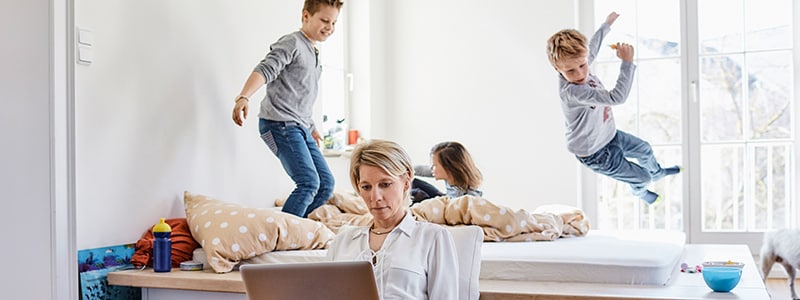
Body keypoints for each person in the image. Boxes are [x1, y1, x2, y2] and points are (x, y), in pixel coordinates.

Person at [546, 12, 680, 204]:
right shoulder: (573, 92)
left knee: (645, 149)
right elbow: (616, 97)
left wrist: (606, 24)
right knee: (643, 178)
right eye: (570, 71)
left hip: (609, 134)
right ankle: (641, 192)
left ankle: (657, 172)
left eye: (583, 65)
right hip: (595, 153)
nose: (580, 73)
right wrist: (627, 63)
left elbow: (591, 48)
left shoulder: (577, 63)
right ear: (557, 69)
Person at [231, 0, 343, 217]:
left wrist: (311, 126)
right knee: (309, 182)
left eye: (334, 23)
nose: (330, 27)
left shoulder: (313, 52)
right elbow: (266, 69)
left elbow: (299, 94)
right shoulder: (292, 42)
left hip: (300, 125)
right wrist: (244, 96)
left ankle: (296, 224)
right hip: (278, 124)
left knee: (326, 184)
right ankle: (284, 232)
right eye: (325, 20)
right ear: (306, 16)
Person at [326, 139, 459, 300]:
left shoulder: (433, 237)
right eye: (366, 187)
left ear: (406, 181)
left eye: (385, 184)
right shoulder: (342, 240)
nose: (375, 197)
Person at [410, 141, 483, 203]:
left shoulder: (468, 197)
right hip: (447, 198)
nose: (431, 167)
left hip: (450, 208)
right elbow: (422, 170)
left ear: (449, 168)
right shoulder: (451, 175)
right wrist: (404, 168)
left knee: (417, 194)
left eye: (435, 165)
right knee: (412, 181)